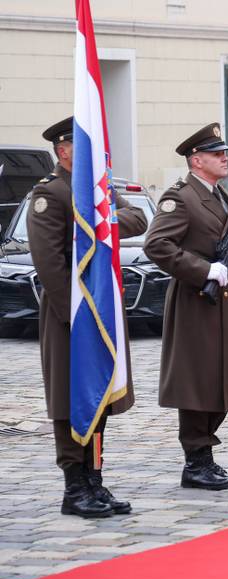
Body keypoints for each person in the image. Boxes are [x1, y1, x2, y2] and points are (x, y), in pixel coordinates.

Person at [27, 117, 147, 517]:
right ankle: (73, 486)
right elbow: (47, 261)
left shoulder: (98, 190)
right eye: (82, 147)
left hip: (103, 309)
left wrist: (100, 221)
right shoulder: (51, 193)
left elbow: (137, 219)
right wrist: (73, 315)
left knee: (101, 396)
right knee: (70, 398)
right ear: (63, 151)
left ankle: (95, 479)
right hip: (71, 315)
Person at [144, 123, 228, 490]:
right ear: (196, 160)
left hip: (224, 304)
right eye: (217, 153)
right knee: (196, 384)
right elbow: (157, 245)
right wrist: (204, 269)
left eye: (224, 152)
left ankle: (206, 455)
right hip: (195, 303)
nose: (225, 157)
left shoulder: (224, 197)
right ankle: (196, 461)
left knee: (220, 384)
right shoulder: (181, 197)